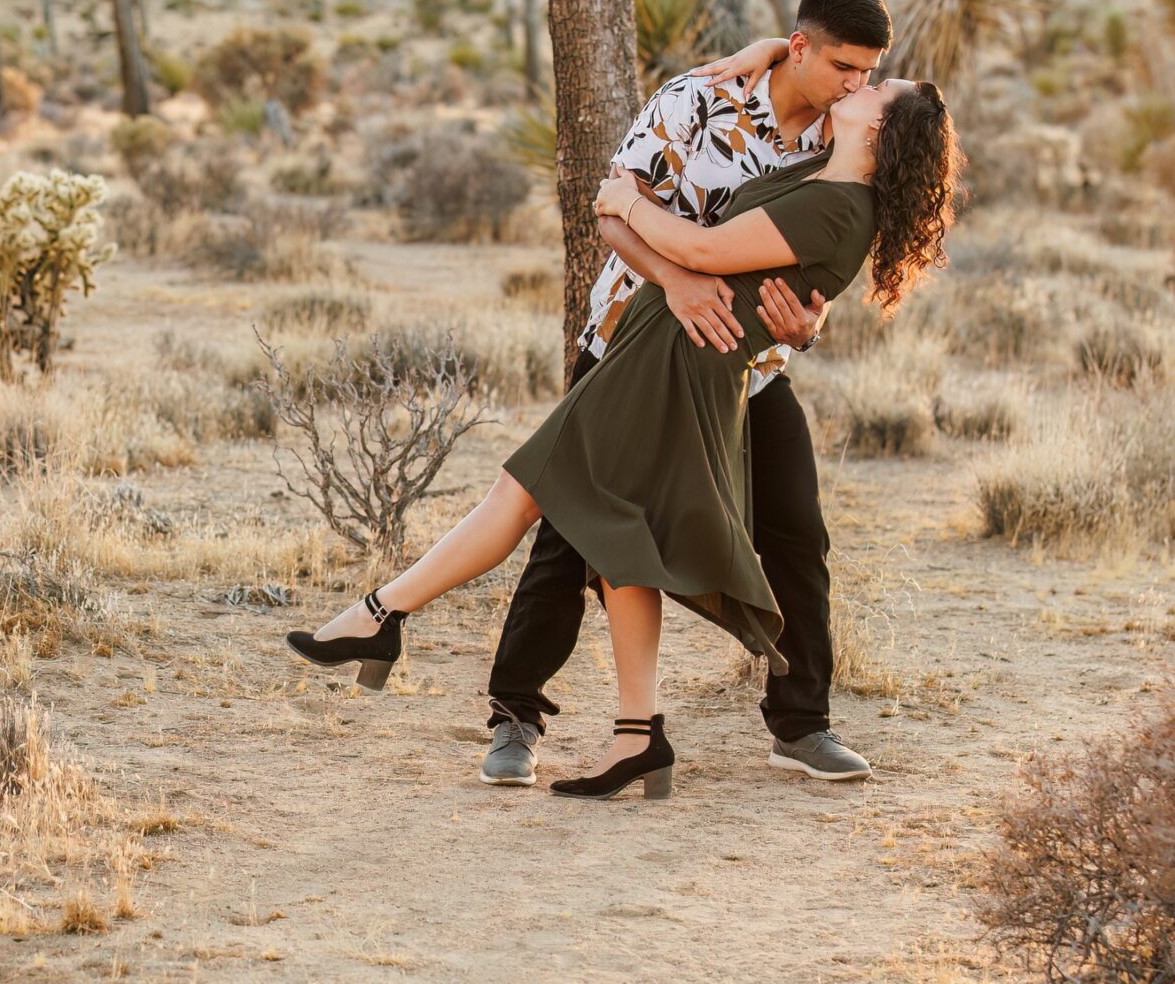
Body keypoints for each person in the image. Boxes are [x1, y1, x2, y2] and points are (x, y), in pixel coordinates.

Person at [282, 77, 963, 800]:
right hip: (656, 355)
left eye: (878, 84)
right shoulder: (816, 172)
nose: (862, 84)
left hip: (668, 368)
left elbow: (704, 250)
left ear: (883, 130)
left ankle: (381, 615)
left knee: (522, 496)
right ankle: (636, 737)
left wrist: (628, 202)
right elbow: (760, 98)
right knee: (616, 539)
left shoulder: (838, 205)